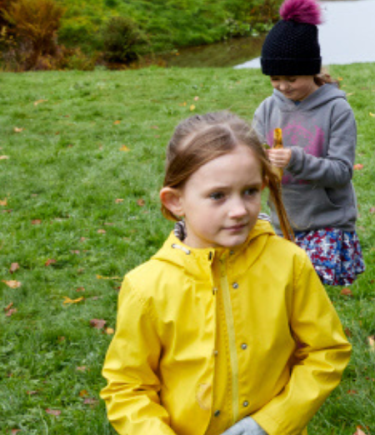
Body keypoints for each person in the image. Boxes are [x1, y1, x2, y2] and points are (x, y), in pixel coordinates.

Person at [102, 111, 351, 435]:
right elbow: (127, 387)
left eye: (249, 191)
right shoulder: (146, 288)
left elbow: (326, 352)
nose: (239, 210)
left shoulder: (290, 263)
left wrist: (270, 424)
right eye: (218, 195)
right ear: (175, 200)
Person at [254, 0, 364, 286]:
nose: (283, 86)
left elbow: (341, 172)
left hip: (328, 222)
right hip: (281, 222)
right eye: (275, 79)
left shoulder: (336, 109)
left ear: (312, 70)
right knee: (280, 294)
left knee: (312, 292)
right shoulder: (267, 109)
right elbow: (250, 159)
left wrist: (296, 160)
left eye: (291, 78)